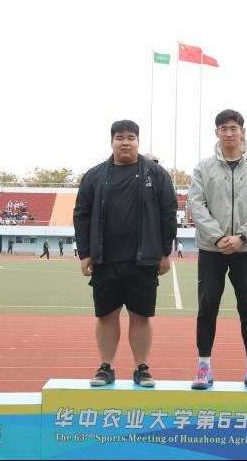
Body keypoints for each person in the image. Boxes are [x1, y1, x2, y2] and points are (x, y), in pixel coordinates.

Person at [73, 119, 177, 388]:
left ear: (138, 141)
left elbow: (168, 213)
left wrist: (165, 252)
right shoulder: (95, 175)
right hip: (105, 259)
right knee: (106, 315)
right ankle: (105, 367)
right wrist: (85, 253)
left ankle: (142, 367)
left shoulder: (156, 173)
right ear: (112, 141)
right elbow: (81, 214)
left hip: (143, 259)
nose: (126, 142)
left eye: (131, 137)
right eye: (120, 137)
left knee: (141, 316)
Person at [187, 109, 247, 391]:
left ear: (243, 132)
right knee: (207, 306)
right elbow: (196, 205)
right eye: (223, 128)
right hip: (212, 248)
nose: (229, 133)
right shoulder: (203, 168)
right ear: (217, 133)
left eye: (234, 128)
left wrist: (242, 237)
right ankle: (203, 367)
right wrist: (219, 237)